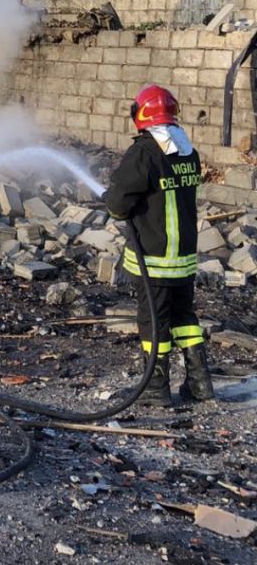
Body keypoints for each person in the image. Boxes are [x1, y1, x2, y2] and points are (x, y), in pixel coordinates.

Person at [105, 85, 212, 406]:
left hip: (154, 257)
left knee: (154, 320)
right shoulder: (186, 150)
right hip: (184, 257)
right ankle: (200, 384)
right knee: (184, 316)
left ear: (140, 113)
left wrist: (112, 202)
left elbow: (119, 203)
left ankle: (155, 386)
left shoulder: (144, 151)